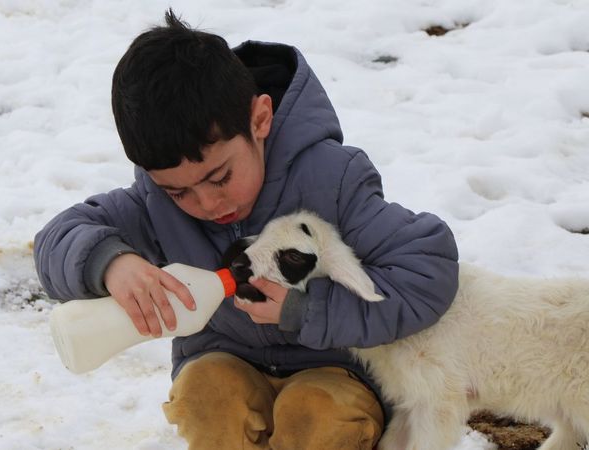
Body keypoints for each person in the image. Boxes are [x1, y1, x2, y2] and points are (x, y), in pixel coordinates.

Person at [34, 9, 459, 450]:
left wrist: (308, 311)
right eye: (180, 193)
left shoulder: (331, 181)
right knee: (207, 396)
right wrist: (112, 263)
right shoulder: (153, 203)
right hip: (226, 359)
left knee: (315, 414)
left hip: (337, 369)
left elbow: (429, 271)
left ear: (260, 119)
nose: (207, 204)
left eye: (219, 178)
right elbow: (55, 240)